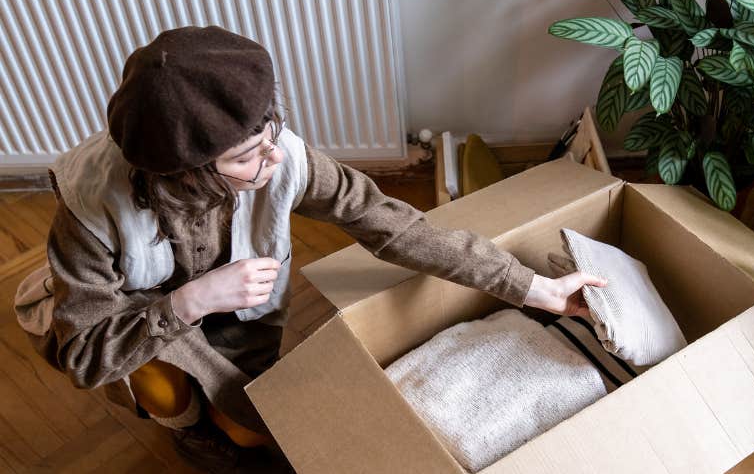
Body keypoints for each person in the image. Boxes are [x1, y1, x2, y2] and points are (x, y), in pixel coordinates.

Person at [13, 26, 605, 472]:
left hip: (240, 314)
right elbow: (87, 356)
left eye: (271, 132)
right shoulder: (90, 209)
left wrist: (533, 287)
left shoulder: (279, 155)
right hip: (140, 324)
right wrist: (190, 301)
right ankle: (190, 429)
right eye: (247, 157)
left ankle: (227, 409)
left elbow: (393, 225)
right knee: (178, 396)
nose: (272, 158)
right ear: (189, 174)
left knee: (258, 416)